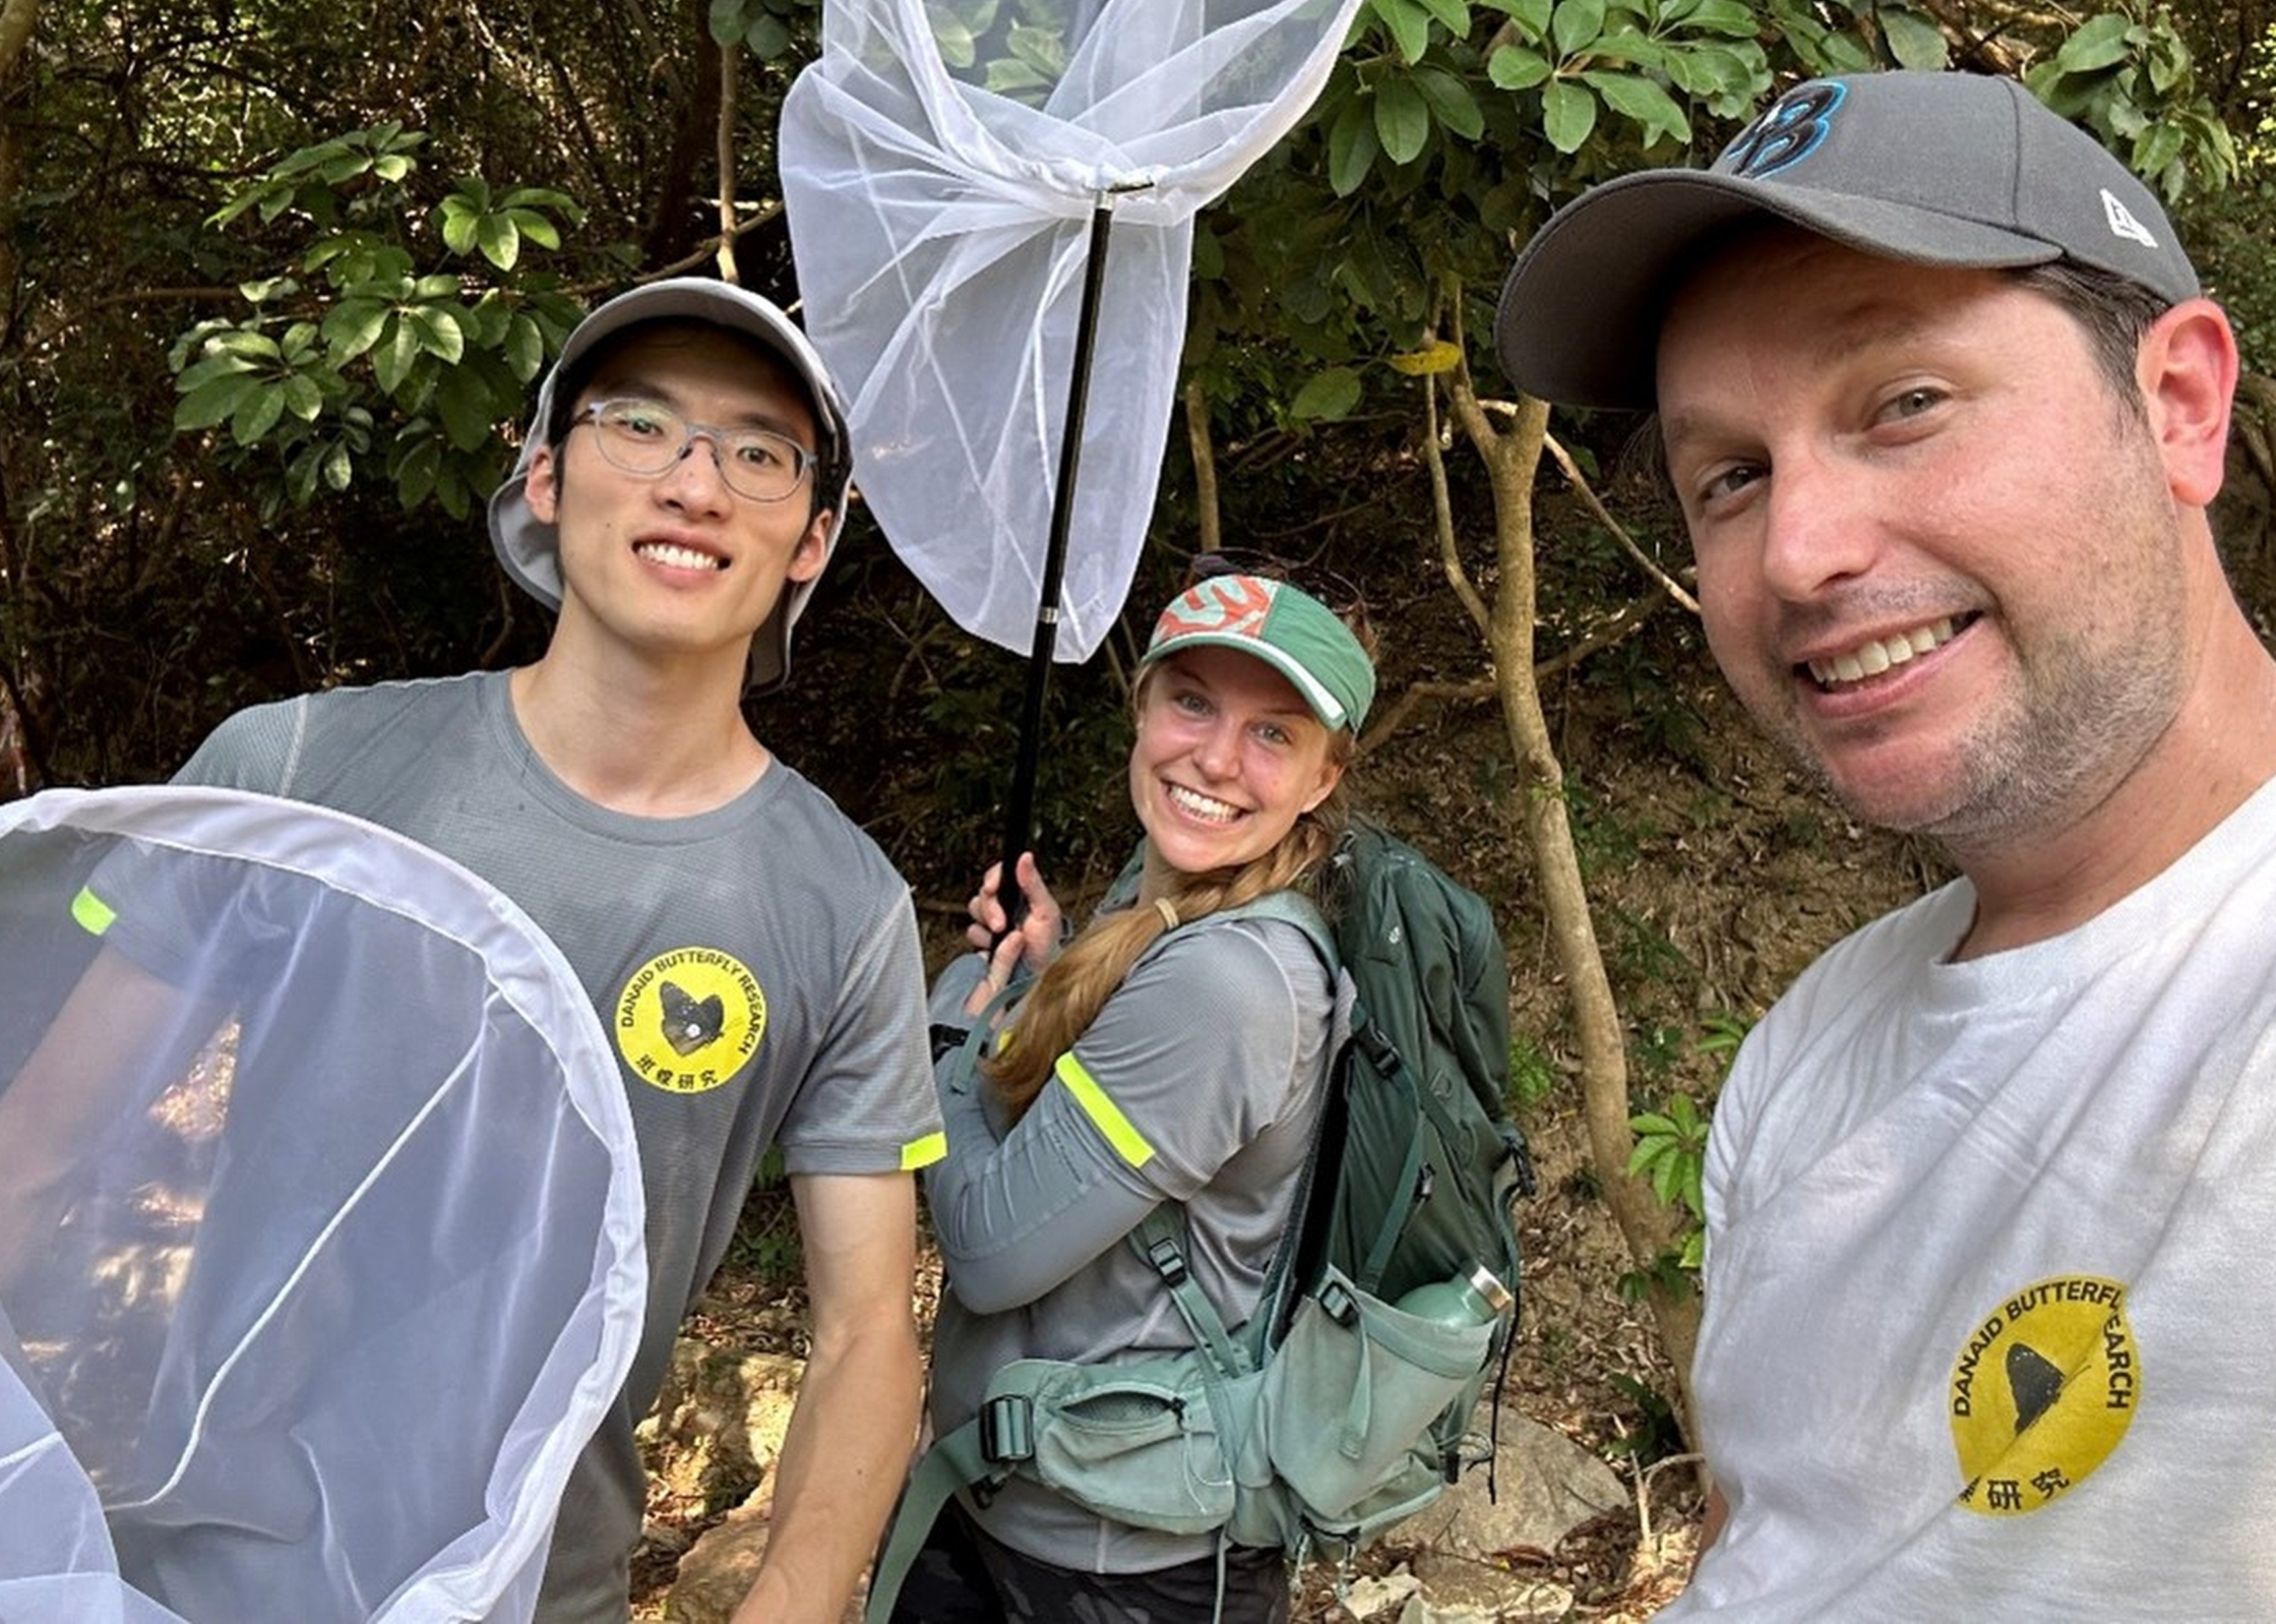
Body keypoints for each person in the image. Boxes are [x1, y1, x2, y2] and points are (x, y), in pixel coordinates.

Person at [1494, 68, 2276, 1617]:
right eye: (1728, 476)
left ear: (2178, 405)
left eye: (1901, 404)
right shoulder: (1804, 1054)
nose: (1798, 550)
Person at [142, 278, 942, 1622]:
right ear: (543, 474)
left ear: (811, 536)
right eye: (640, 425)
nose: (695, 482)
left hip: (535, 1586)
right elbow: (47, 1141)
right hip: (186, 1559)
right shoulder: (287, 770)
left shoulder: (842, 909)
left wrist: (785, 1603)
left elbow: (868, 1330)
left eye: (757, 450)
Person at [888, 566, 1378, 1624]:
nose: (1214, 757)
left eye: (1274, 733)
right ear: (1143, 704)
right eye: (1193, 700)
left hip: (1117, 1566)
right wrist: (1046, 974)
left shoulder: (1228, 980)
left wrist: (949, 1031)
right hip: (1025, 1498)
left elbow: (987, 1247)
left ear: (1326, 775)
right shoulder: (1168, 893)